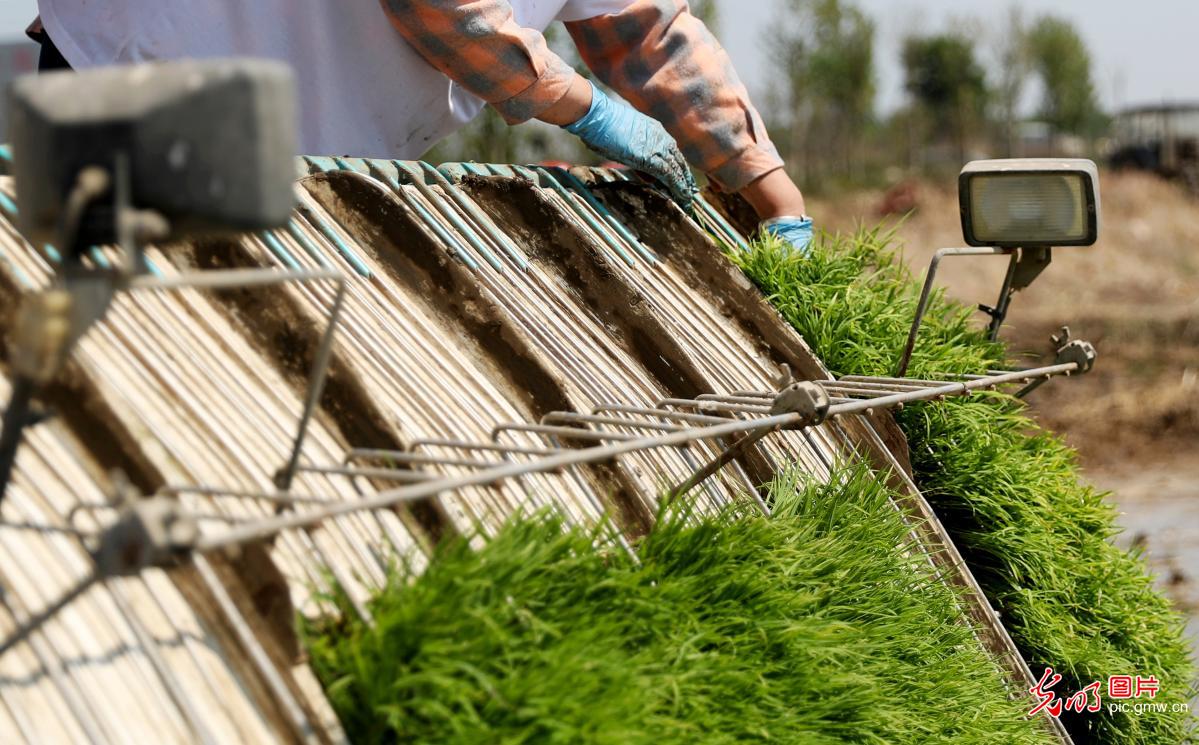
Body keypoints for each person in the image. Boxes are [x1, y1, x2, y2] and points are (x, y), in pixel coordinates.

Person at [28, 0, 814, 251]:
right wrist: (589, 108)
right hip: (157, 75)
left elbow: (648, 30)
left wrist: (770, 189)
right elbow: (439, 8)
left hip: (318, 138)